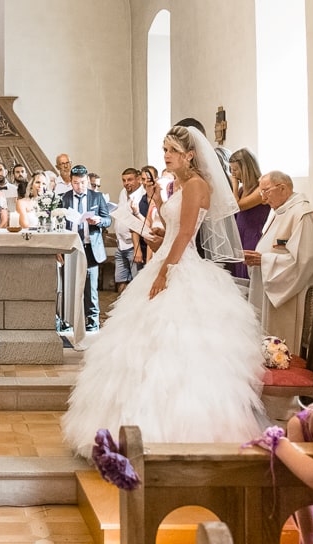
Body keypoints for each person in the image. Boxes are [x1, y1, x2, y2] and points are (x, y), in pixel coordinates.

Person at [62, 125, 265, 449]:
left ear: (190, 155)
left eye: (171, 150)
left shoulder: (198, 184)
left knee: (175, 347)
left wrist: (163, 272)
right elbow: (172, 234)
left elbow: (185, 236)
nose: (165, 156)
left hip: (179, 267)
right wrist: (157, 237)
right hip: (168, 259)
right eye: (164, 150)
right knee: (137, 348)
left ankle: (178, 434)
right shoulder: (178, 186)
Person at [247, 374, 313, 544]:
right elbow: (300, 492)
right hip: (310, 505)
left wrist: (277, 443)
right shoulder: (301, 423)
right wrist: (310, 539)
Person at [245, 170, 313, 346]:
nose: (263, 198)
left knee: (288, 344)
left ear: (282, 188)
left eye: (266, 191)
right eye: (261, 192)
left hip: (292, 297)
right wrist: (256, 258)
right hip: (274, 290)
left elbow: (307, 258)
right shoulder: (281, 211)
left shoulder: (301, 213)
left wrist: (264, 260)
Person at [60, 164, 112, 331]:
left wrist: (98, 220)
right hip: (71, 246)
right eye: (76, 183)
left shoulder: (97, 197)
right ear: (71, 182)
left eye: (82, 182)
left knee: (91, 285)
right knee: (69, 283)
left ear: (87, 181)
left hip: (90, 246)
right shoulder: (64, 198)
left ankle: (92, 321)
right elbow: (59, 223)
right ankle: (67, 320)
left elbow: (107, 219)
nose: (79, 186)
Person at [228, 148, 267, 280]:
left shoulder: (260, 189)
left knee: (248, 275)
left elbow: (237, 206)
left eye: (235, 169)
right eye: (231, 169)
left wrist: (233, 184)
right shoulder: (241, 190)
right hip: (238, 236)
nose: (233, 174)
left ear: (246, 169)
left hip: (251, 236)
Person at [113, 167, 144, 292]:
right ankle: (122, 309)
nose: (126, 183)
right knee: (120, 279)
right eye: (124, 180)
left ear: (138, 179)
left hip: (134, 246)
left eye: (130, 180)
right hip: (120, 244)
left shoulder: (142, 195)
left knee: (137, 283)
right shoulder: (123, 192)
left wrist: (137, 249)